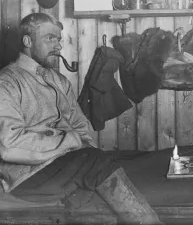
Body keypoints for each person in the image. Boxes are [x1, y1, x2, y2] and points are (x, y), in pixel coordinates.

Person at [0, 12, 163, 225]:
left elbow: (81, 127)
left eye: (59, 39)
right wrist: (69, 141)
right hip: (27, 177)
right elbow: (8, 145)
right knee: (95, 162)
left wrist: (80, 144)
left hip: (64, 167)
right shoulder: (7, 83)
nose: (58, 46)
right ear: (27, 41)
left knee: (104, 166)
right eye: (50, 38)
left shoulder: (59, 81)